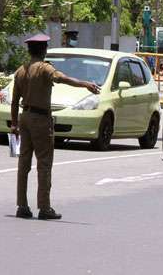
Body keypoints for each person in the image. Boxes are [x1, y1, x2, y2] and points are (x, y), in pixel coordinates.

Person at [11, 34, 100, 220]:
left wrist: (14, 125)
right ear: (44, 50)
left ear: (29, 50)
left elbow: (14, 102)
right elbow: (61, 78)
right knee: (44, 164)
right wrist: (85, 84)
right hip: (40, 120)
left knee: (23, 164)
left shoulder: (21, 71)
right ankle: (44, 208)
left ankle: (22, 206)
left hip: (24, 118)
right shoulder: (44, 68)